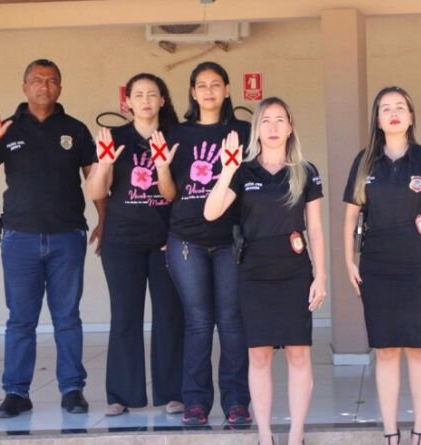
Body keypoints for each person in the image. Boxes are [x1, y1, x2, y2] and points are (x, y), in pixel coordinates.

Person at [0, 59, 102, 418]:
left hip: (67, 236)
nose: (45, 86)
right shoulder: (8, 128)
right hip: (20, 237)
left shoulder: (75, 129)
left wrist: (104, 219)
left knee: (68, 317)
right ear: (24, 86)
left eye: (52, 81)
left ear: (60, 87)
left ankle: (72, 390)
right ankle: (16, 392)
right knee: (20, 319)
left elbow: (95, 182)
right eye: (37, 80)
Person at [204, 97, 326, 445]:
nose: (273, 127)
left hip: (294, 269)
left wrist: (321, 276)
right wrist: (226, 171)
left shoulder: (306, 171)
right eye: (266, 120)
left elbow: (314, 228)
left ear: (290, 127)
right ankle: (265, 435)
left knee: (298, 352)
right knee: (257, 355)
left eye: (280, 120)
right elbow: (211, 213)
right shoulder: (243, 172)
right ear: (257, 129)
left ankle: (296, 434)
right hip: (253, 270)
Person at [342, 86, 421, 445]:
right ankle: (391, 433)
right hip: (377, 265)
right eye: (385, 108)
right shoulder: (365, 161)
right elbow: (350, 217)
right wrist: (348, 260)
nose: (393, 113)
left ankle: (419, 431)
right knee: (387, 349)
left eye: (400, 107)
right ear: (377, 119)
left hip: (420, 265)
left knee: (420, 349)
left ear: (410, 116)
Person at [152, 61, 251, 426]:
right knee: (197, 322)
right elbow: (169, 194)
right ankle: (195, 403)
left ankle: (237, 402)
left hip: (232, 240)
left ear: (227, 89)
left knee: (231, 321)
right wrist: (162, 168)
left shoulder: (243, 131)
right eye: (201, 85)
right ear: (192, 92)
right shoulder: (177, 133)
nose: (208, 91)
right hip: (186, 241)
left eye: (215, 84)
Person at [85, 73, 184, 416]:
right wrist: (105, 163)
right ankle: (121, 395)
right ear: (126, 102)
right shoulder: (114, 137)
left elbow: (175, 195)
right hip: (122, 240)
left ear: (162, 100)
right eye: (138, 95)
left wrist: (162, 168)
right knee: (124, 315)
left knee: (170, 315)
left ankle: (172, 392)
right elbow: (97, 191)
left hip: (165, 239)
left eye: (152, 94)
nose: (145, 100)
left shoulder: (175, 138)